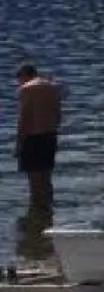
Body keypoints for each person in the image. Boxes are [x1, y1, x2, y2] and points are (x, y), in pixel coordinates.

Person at [15, 61, 63, 218]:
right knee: (47, 179)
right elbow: (58, 115)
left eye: (19, 79)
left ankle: (37, 216)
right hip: (50, 136)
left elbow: (24, 119)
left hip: (32, 138)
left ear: (24, 75)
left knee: (35, 182)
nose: (19, 83)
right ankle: (48, 213)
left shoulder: (27, 89)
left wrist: (18, 143)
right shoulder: (53, 87)